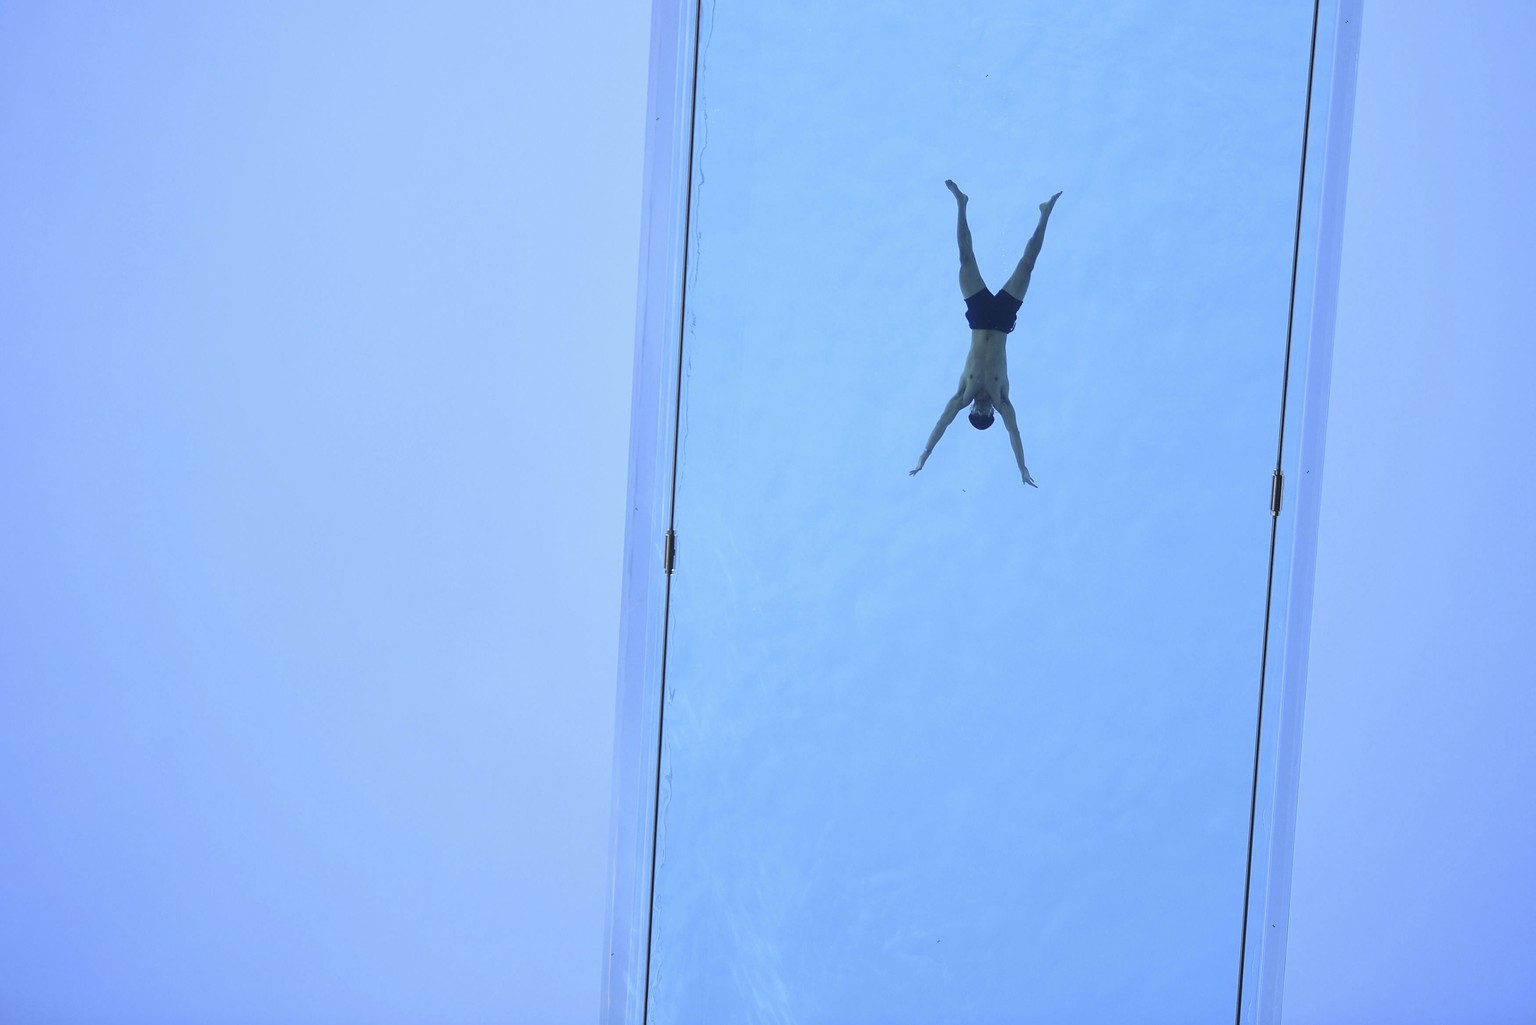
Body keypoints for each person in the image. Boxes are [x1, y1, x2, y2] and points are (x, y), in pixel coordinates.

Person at [910, 180, 1061, 487]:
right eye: (985, 412)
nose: (980, 407)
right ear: (992, 412)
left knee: (965, 259)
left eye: (977, 412)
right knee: (1027, 265)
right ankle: (1045, 213)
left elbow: (942, 422)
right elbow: (1014, 433)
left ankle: (961, 203)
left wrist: (924, 455)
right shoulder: (1002, 399)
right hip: (1003, 322)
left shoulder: (962, 396)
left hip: (979, 321)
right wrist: (1022, 468)